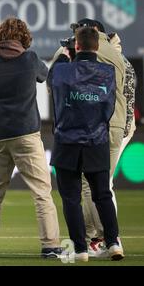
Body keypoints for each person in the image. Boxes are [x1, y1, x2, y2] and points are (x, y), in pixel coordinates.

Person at [0, 17, 61, 259]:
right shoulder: (30, 59)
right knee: (41, 192)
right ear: (23, 38)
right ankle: (50, 246)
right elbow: (45, 76)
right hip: (26, 135)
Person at [48, 26, 124, 262]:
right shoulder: (108, 73)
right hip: (96, 140)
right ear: (98, 46)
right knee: (102, 194)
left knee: (71, 198)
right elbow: (108, 108)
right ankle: (113, 243)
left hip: (67, 143)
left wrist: (64, 53)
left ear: (76, 46)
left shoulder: (62, 71)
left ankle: (80, 249)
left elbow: (51, 79)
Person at [84, 32, 137, 257]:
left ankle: (105, 238)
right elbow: (129, 97)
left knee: (99, 183)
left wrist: (121, 129)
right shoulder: (120, 59)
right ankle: (103, 238)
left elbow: (126, 99)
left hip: (110, 127)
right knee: (101, 183)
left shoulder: (109, 60)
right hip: (118, 127)